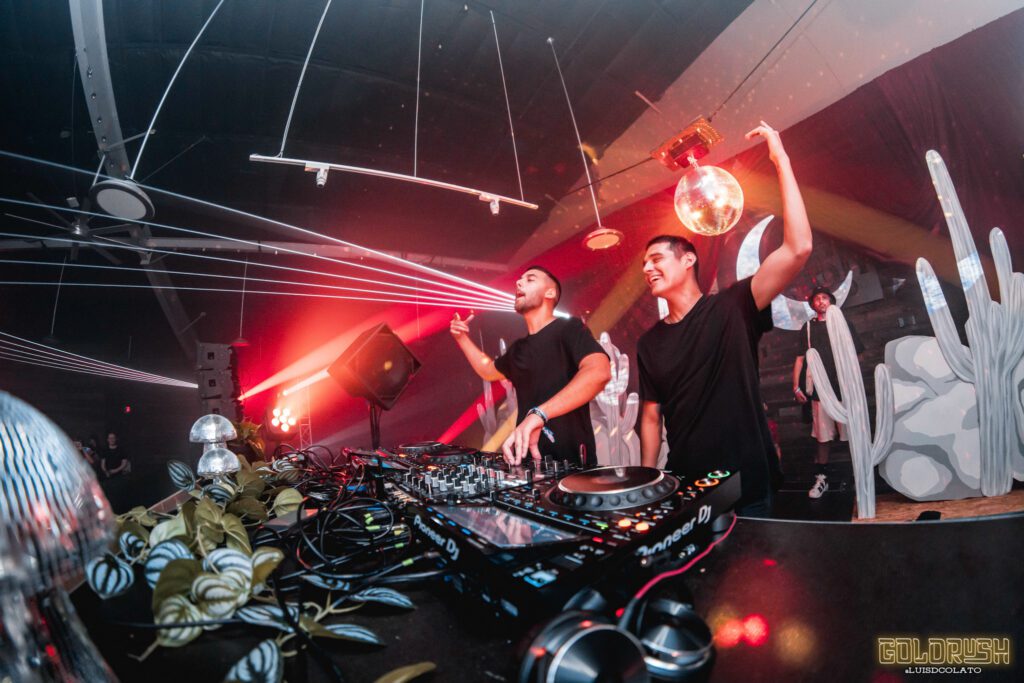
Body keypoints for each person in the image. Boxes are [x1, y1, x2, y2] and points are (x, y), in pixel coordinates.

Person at [637, 121, 812, 517]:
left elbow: (798, 248)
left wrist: (780, 159)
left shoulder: (733, 306)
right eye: (644, 263)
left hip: (748, 482)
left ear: (688, 260)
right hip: (686, 487)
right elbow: (650, 416)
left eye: (656, 258)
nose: (647, 268)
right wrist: (648, 484)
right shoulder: (648, 343)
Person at [450, 266, 611, 465]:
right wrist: (461, 338)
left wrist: (540, 414)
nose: (519, 283)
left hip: (571, 462)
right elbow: (488, 370)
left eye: (530, 279)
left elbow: (599, 371)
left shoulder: (569, 329)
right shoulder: (519, 349)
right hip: (528, 461)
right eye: (519, 279)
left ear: (550, 293)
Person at [792, 286, 864, 498]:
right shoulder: (808, 328)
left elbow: (857, 355)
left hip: (844, 390)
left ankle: (860, 477)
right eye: (817, 299)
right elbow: (800, 359)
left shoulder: (844, 323)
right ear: (813, 304)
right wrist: (796, 386)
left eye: (824, 297)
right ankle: (822, 479)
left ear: (831, 301)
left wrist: (853, 382)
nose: (821, 301)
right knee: (822, 438)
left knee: (853, 436)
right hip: (819, 391)